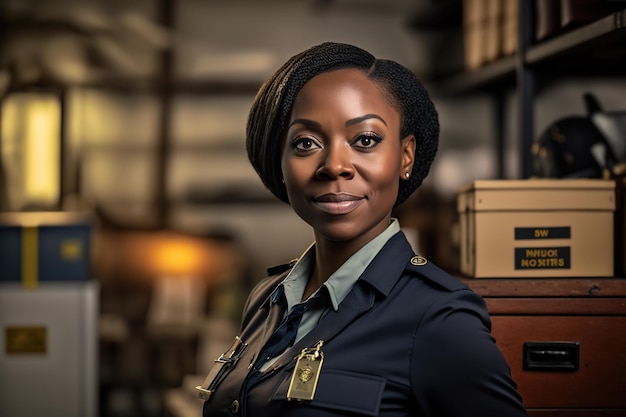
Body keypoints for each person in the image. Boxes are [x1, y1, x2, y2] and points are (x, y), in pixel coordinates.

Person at [198, 42, 528, 417]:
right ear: (280, 160)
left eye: (365, 140)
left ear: (405, 156)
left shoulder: (437, 319)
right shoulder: (267, 299)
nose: (335, 165)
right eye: (306, 143)